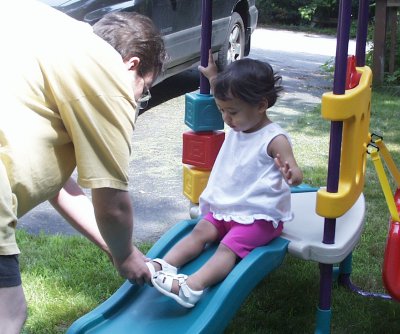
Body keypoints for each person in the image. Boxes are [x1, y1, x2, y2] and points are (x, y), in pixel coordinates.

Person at [0, 0, 166, 332]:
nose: (136, 100)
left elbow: (60, 188)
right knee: (7, 314)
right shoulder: (109, 75)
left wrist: (117, 249)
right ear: (131, 65)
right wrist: (127, 256)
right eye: (144, 90)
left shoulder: (56, 40)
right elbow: (113, 204)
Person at [146, 52, 303, 308]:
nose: (227, 119)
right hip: (227, 209)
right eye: (223, 111)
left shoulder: (274, 139)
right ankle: (164, 264)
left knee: (226, 249)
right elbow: (228, 92)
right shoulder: (241, 122)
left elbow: (295, 172)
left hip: (258, 218)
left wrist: (291, 174)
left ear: (261, 105)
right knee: (200, 231)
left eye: (232, 112)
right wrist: (213, 75)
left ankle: (192, 287)